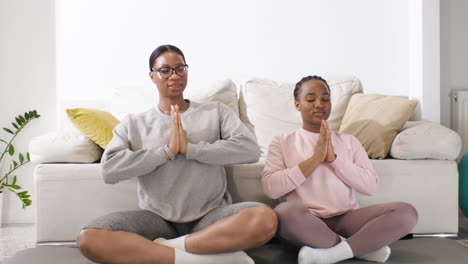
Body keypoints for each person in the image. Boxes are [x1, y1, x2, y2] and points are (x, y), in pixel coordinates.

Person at [77, 44, 277, 264]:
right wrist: (166, 151)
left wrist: (191, 149)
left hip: (210, 217)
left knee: (265, 219)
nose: (174, 75)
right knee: (89, 238)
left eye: (180, 68)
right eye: (165, 70)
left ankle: (168, 249)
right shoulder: (134, 123)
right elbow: (109, 170)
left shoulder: (215, 112)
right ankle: (199, 260)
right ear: (152, 76)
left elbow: (249, 149)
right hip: (156, 220)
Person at [261, 75, 418, 264]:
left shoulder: (349, 141)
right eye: (311, 99)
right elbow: (271, 188)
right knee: (283, 213)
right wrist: (315, 159)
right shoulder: (283, 141)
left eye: (325, 99)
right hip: (307, 222)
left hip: (347, 219)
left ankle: (332, 252)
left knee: (406, 212)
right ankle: (359, 248)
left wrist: (334, 160)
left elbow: (370, 187)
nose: (319, 104)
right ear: (297, 105)